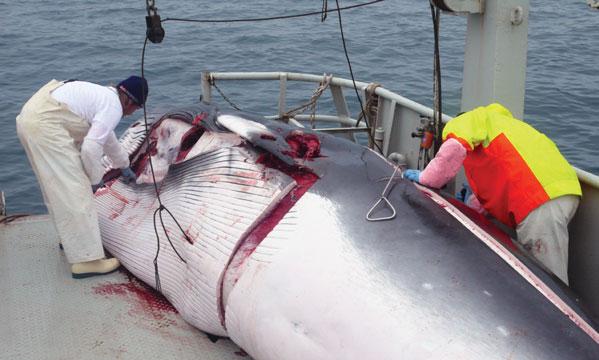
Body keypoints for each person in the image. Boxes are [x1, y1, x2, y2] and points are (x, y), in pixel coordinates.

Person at [403, 103, 581, 285]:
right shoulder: (505, 129)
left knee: (548, 284)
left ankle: (556, 315)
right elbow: (499, 181)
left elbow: (455, 147)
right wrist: (467, 209)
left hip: (539, 200)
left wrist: (426, 178)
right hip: (566, 190)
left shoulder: (468, 120)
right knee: (541, 273)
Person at [16, 76, 148, 278]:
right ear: (129, 101)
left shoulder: (105, 96)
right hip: (46, 127)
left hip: (31, 119)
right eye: (136, 108)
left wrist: (124, 165)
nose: (132, 114)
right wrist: (95, 180)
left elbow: (106, 137)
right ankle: (87, 260)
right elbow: (90, 148)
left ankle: (70, 240)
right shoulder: (113, 107)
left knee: (56, 188)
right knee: (76, 191)